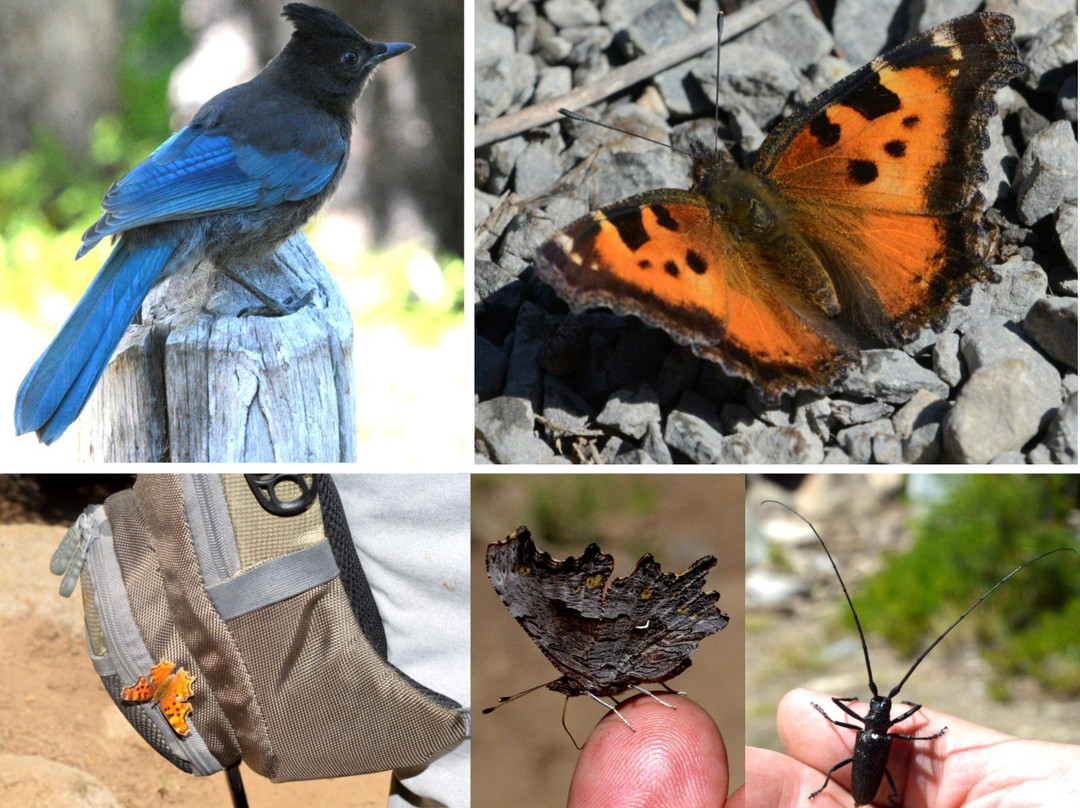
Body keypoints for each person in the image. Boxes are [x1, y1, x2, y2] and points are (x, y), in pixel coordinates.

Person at [745, 689, 1080, 807]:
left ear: (877, 715)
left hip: (866, 779)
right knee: (838, 771)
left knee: (837, 769)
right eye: (880, 707)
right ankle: (835, 789)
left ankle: (831, 789)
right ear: (885, 715)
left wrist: (828, 709)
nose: (880, 708)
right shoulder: (890, 736)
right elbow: (915, 712)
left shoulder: (868, 734)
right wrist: (928, 734)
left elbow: (837, 705)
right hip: (870, 783)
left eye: (881, 706)